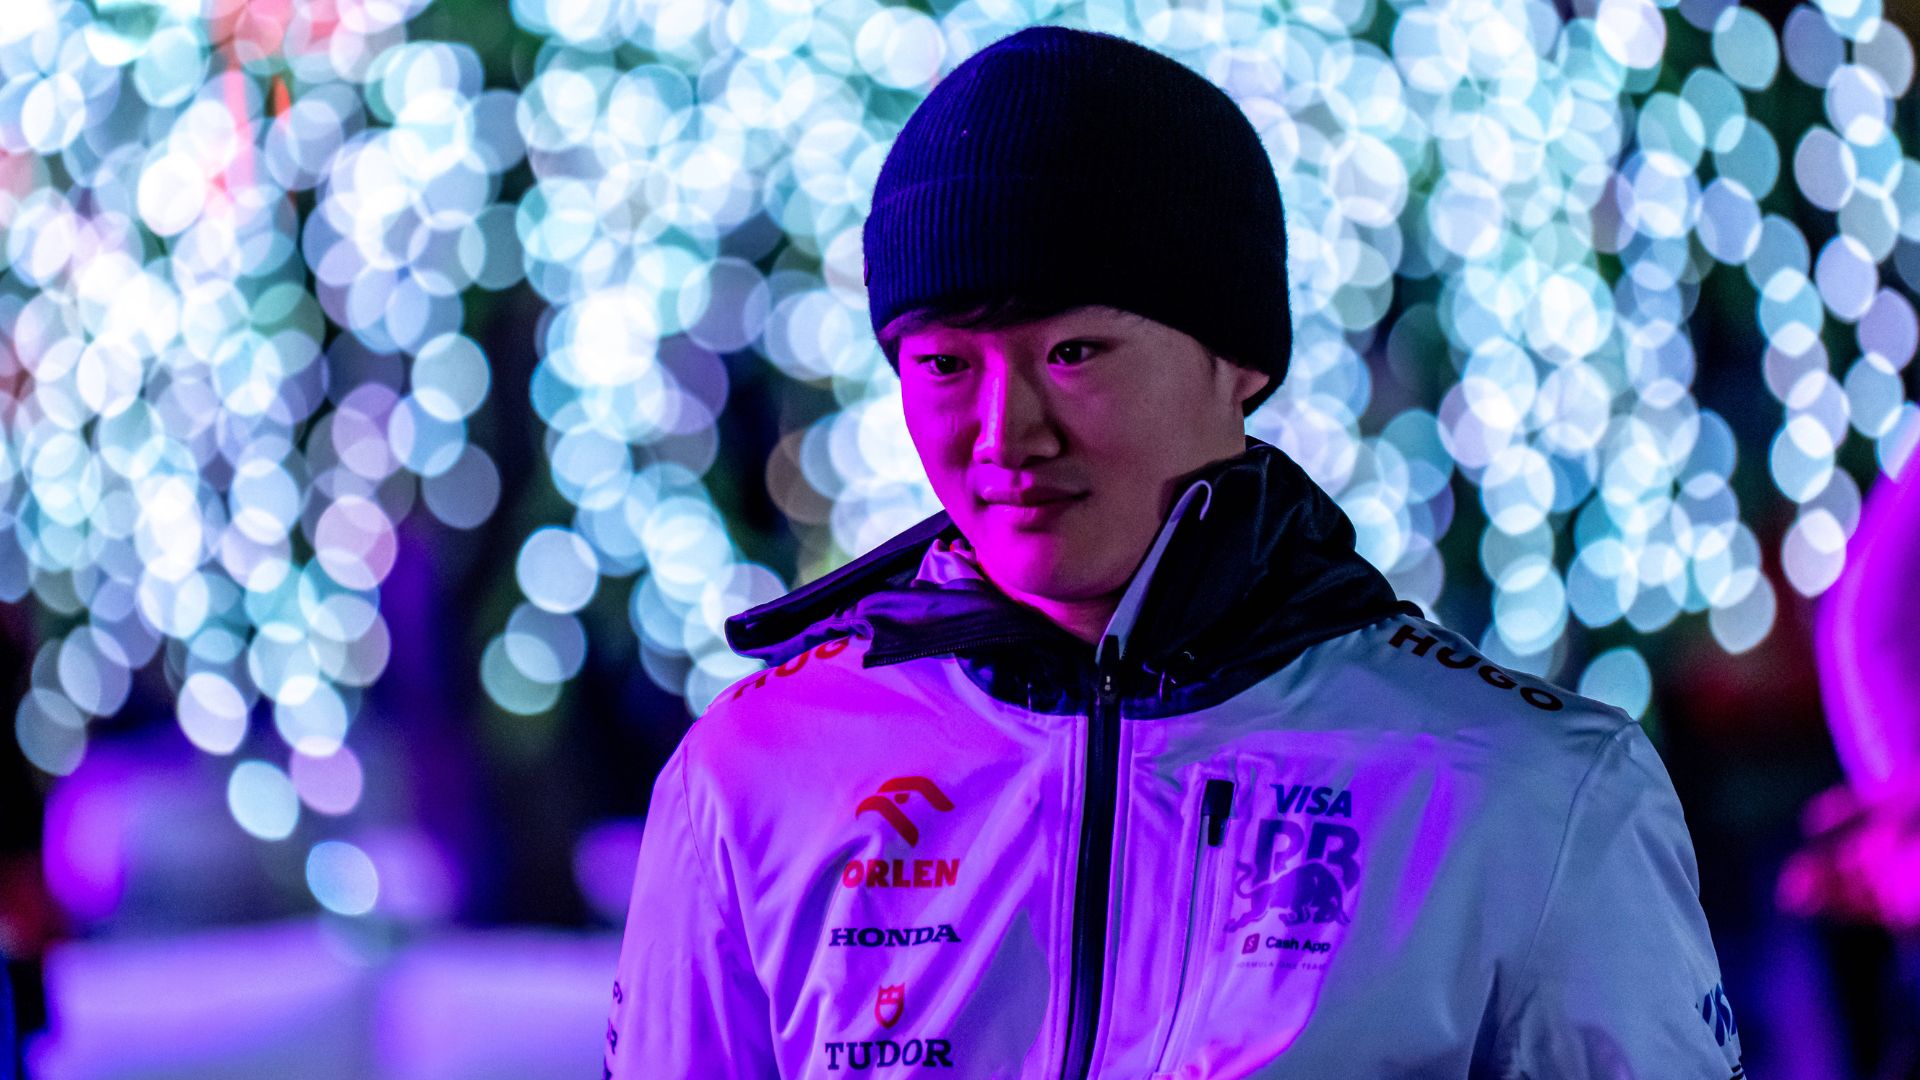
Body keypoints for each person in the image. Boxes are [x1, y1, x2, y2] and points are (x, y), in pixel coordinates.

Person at [607, 24, 1744, 1078]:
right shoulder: (750, 776)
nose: (1007, 435)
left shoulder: (1529, 795)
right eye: (947, 363)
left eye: (1074, 351)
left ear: (1239, 360)